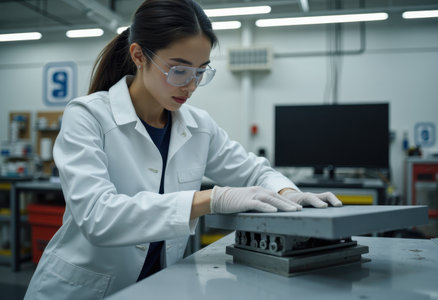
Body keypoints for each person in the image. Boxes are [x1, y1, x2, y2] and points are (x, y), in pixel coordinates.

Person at [24, 0, 342, 299]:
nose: (190, 86)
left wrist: (286, 192)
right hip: (81, 290)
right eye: (179, 70)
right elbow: (98, 217)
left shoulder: (197, 125)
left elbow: (254, 171)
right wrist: (209, 199)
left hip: (157, 287)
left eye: (201, 72)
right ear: (138, 55)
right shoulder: (88, 115)